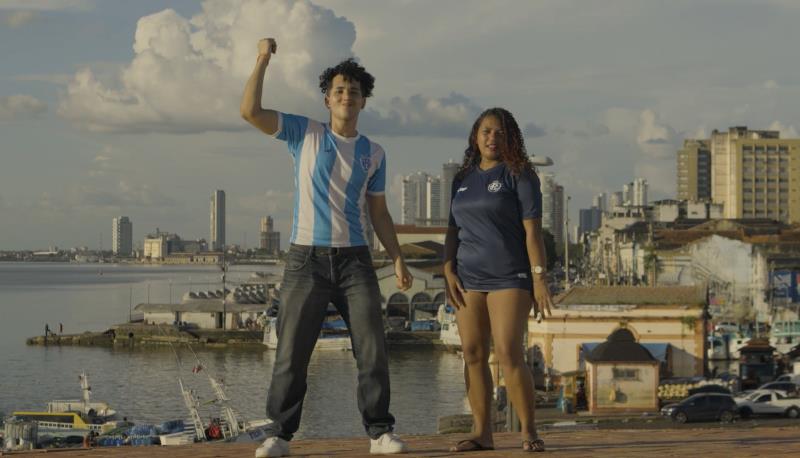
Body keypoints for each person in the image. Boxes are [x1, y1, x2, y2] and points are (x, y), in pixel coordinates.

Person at [241, 38, 413, 458]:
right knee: (291, 353)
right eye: (339, 90)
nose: (346, 95)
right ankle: (279, 435)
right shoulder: (305, 133)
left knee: (372, 350)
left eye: (354, 91)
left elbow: (379, 213)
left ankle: (379, 432)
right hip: (306, 260)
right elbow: (250, 112)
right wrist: (262, 59)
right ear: (327, 100)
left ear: (363, 101)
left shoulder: (374, 153)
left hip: (356, 261)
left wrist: (397, 258)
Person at [443, 107, 554, 453]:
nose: (493, 138)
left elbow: (532, 233)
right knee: (473, 353)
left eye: (501, 133)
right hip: (467, 278)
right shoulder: (462, 179)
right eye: (487, 131)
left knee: (507, 352)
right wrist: (447, 268)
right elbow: (452, 230)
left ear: (511, 139)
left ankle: (529, 431)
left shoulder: (520, 174)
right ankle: (482, 433)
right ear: (475, 136)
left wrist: (538, 278)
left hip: (510, 276)